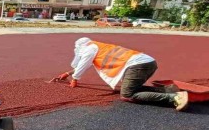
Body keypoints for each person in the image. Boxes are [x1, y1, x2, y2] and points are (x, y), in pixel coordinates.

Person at [54, 37, 189, 111]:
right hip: (148, 62)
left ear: (80, 48)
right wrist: (68, 73)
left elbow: (84, 63)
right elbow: (86, 63)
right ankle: (167, 90)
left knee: (127, 94)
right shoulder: (97, 46)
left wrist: (75, 79)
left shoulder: (89, 49)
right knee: (131, 88)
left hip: (137, 65)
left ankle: (175, 97)